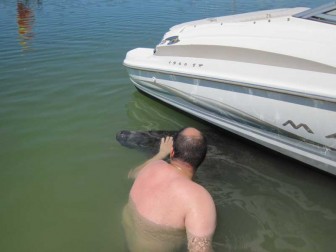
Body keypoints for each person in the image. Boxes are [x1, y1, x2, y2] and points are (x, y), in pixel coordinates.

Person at [123, 127, 216, 252]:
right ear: (202, 159)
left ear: (172, 152)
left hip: (128, 245)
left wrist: (161, 154)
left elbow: (132, 174)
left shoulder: (152, 166)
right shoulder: (198, 199)